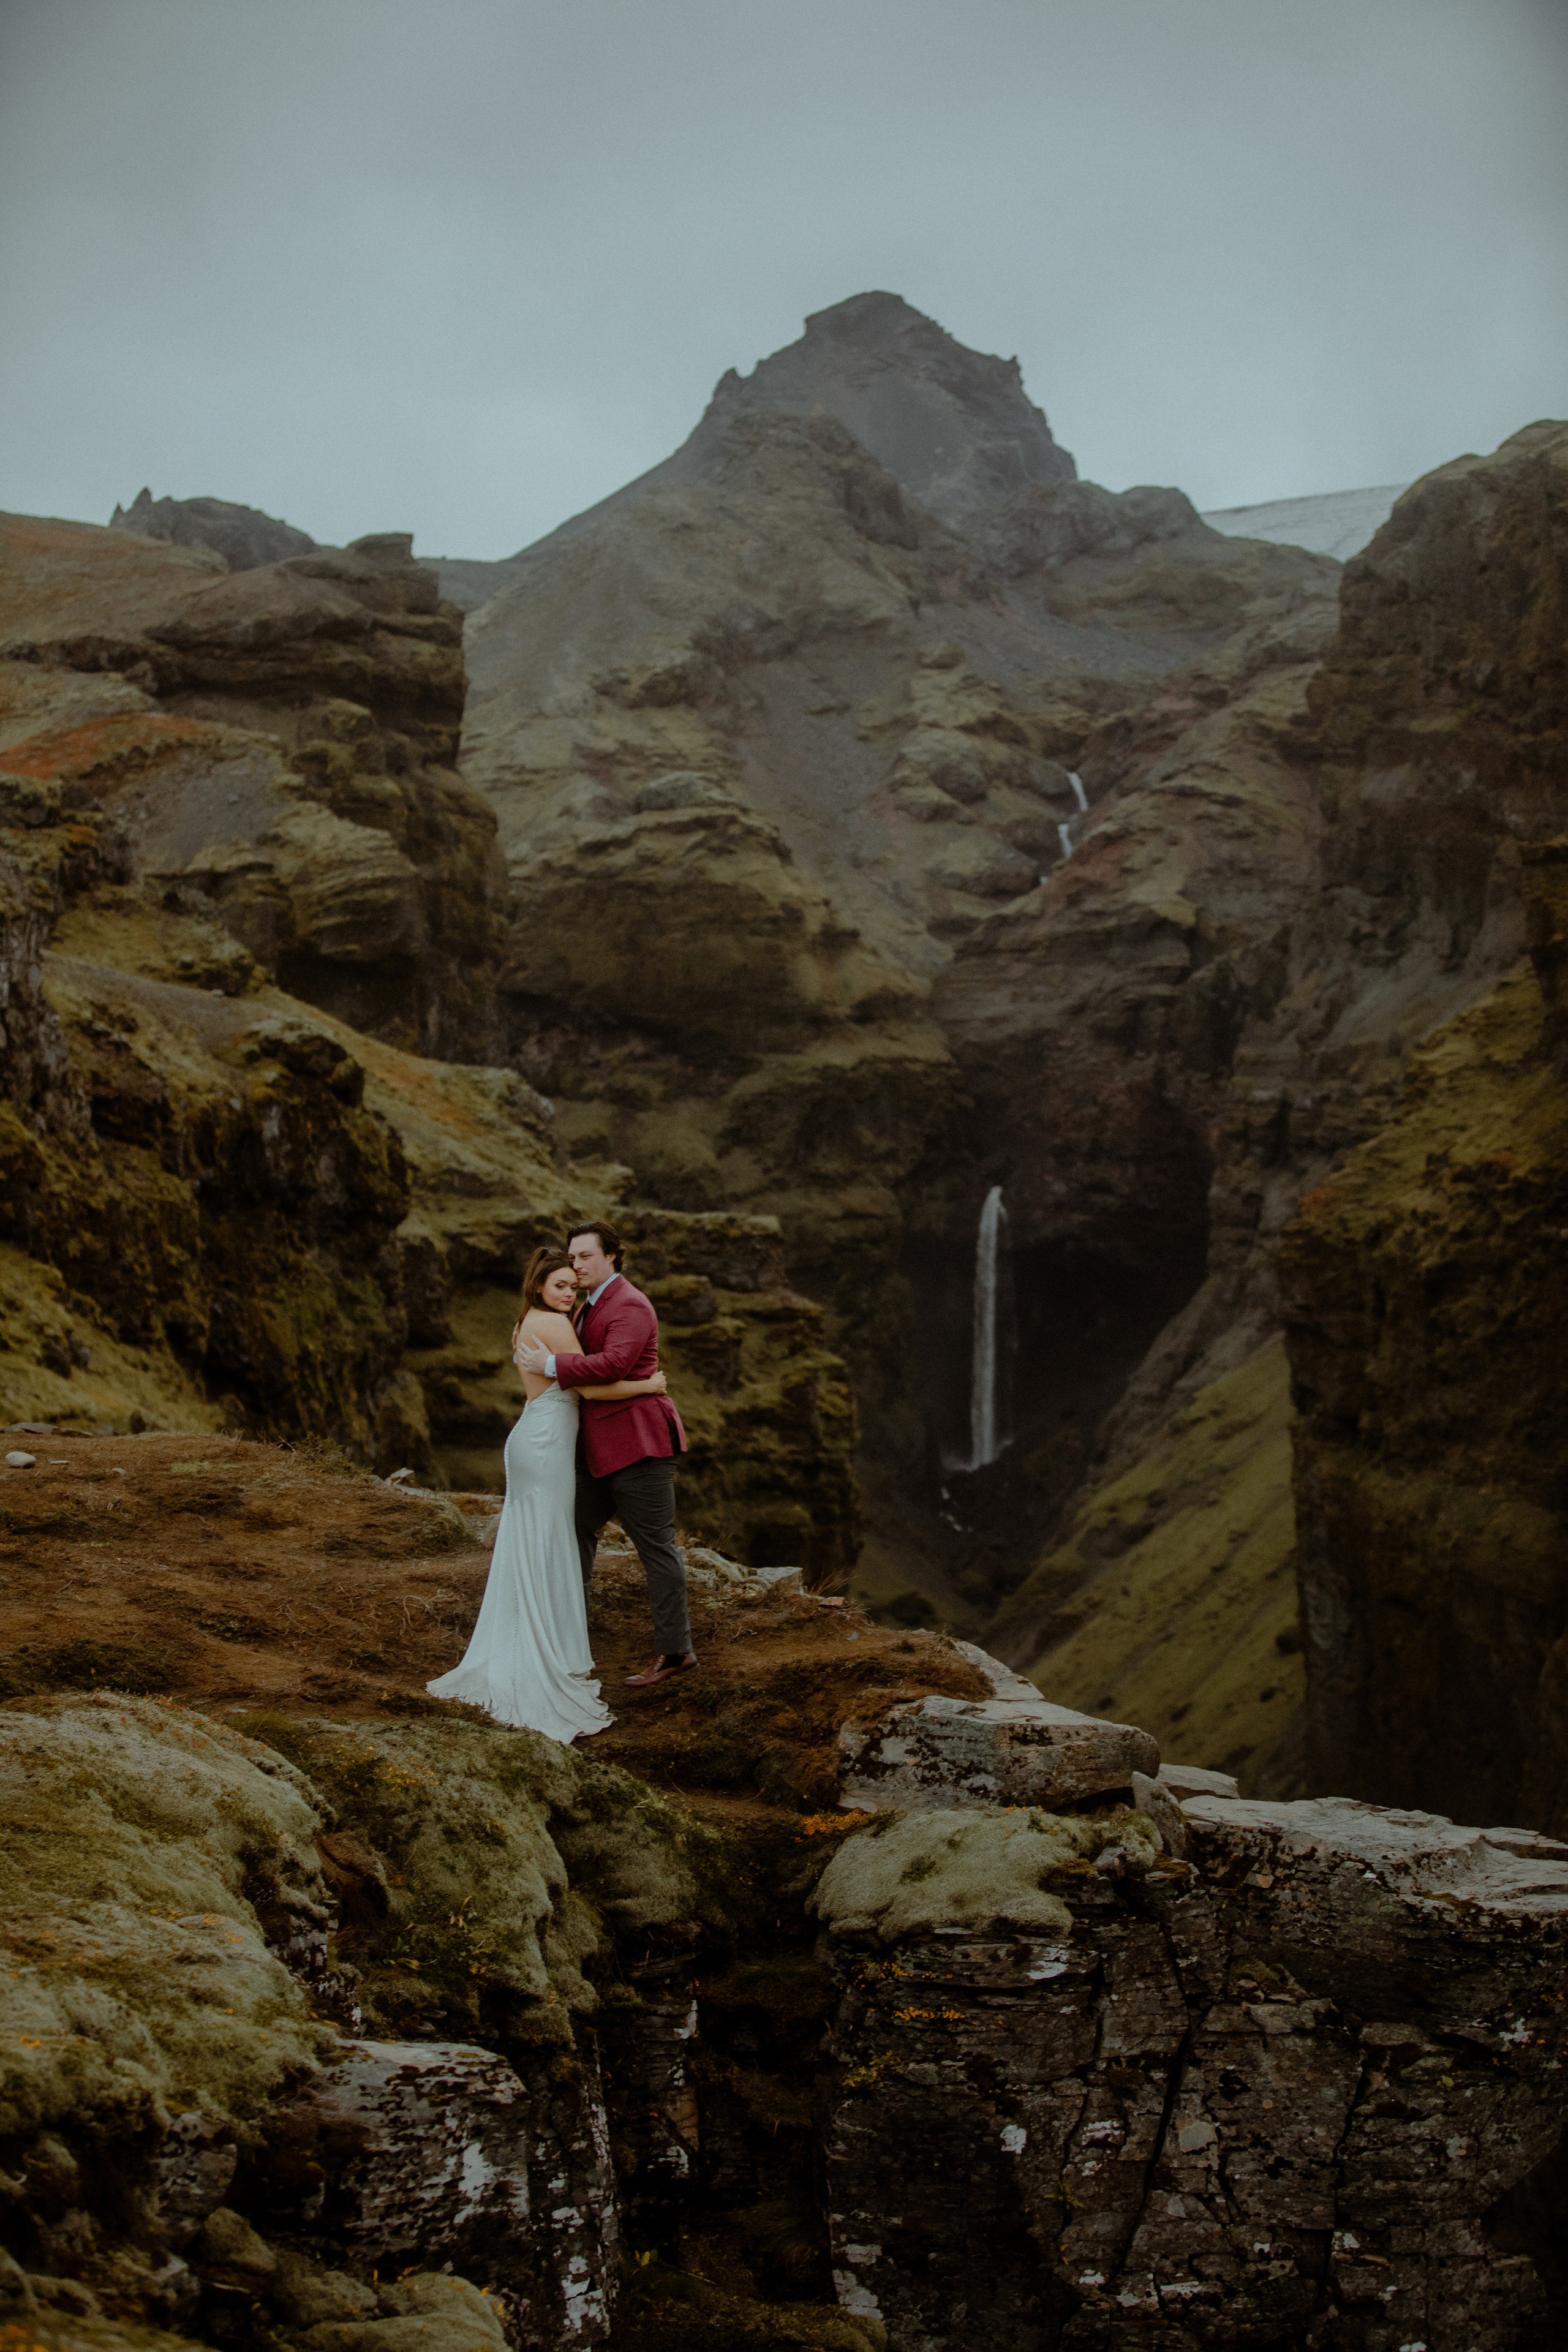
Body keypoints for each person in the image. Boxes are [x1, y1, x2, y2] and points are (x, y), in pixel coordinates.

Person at [426, 1246, 670, 1741]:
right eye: (560, 1285)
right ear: (539, 1285)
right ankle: (537, 1655)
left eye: (573, 1289)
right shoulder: (554, 1325)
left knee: (534, 1540)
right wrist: (650, 1385)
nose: (569, 1295)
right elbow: (594, 1389)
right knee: (544, 1539)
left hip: (535, 1436)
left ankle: (530, 1643)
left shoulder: (525, 1323)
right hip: (545, 1444)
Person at [515, 1219, 696, 1688]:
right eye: (572, 1258)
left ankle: (676, 1652)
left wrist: (551, 1365)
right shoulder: (582, 1308)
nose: (576, 1267)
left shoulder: (631, 1304)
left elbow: (614, 1364)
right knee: (574, 1528)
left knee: (655, 1548)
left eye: (585, 1257)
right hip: (599, 1451)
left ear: (611, 1256)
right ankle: (567, 1635)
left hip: (641, 1447)